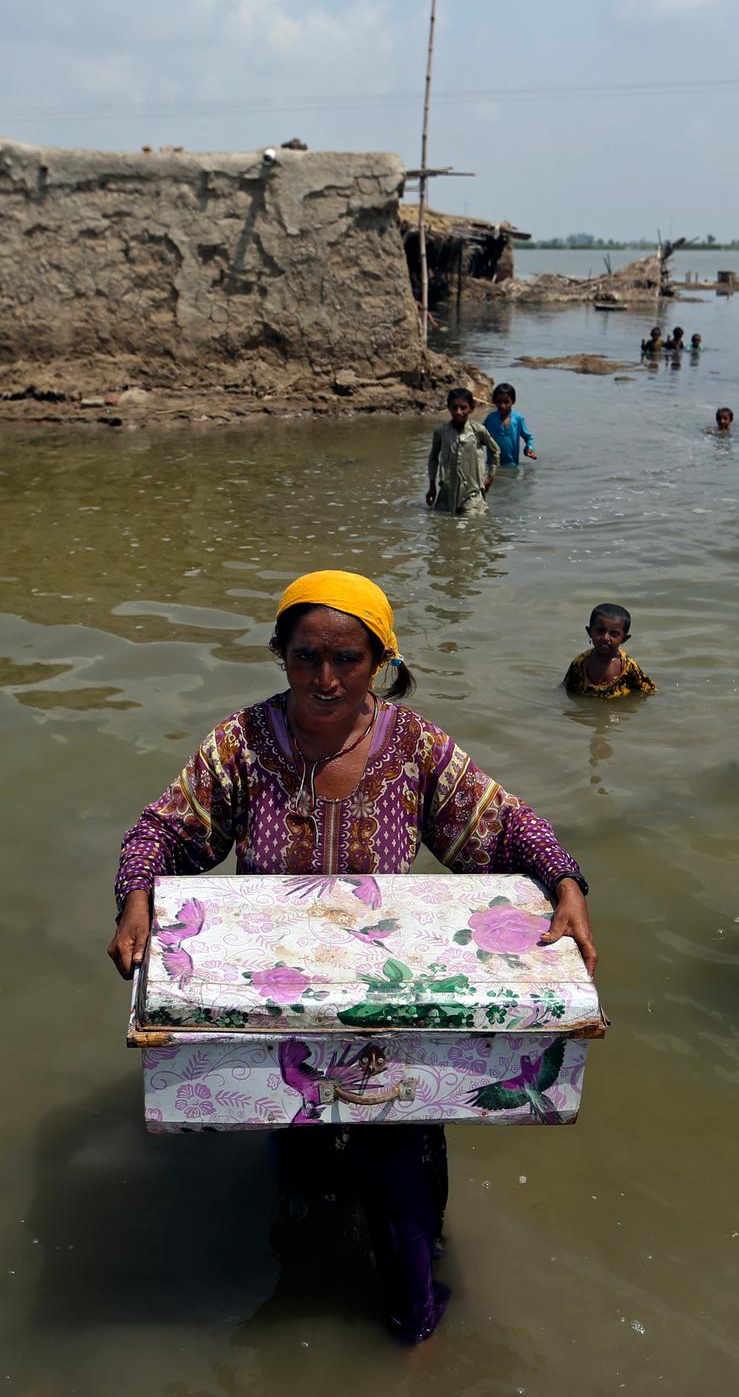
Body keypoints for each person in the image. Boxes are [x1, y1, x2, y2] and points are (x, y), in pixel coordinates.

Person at [108, 571, 595, 1343]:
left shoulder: (415, 748)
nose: (324, 679)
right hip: (279, 999)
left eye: (348, 660)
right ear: (280, 655)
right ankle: (301, 1289)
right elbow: (163, 832)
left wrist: (564, 881)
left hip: (389, 997)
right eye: (306, 657)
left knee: (401, 1171)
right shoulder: (241, 745)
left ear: (380, 662)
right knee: (300, 1164)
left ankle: (414, 1329)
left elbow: (501, 827)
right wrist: (137, 894)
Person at [426, 388, 500, 515]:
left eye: (463, 408)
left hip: (472, 494)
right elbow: (433, 457)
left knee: (471, 528)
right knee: (442, 527)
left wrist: (490, 477)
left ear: (471, 408)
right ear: (448, 408)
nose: (458, 412)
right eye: (454, 407)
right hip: (446, 494)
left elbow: (495, 451)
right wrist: (432, 485)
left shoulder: (478, 431)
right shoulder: (441, 432)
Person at [563, 603, 657, 699]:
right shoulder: (580, 664)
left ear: (624, 639)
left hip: (617, 711)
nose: (605, 638)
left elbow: (648, 691)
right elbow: (566, 689)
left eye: (614, 634)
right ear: (589, 632)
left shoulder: (628, 666)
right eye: (600, 631)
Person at [482, 382, 537, 466]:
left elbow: (528, 437)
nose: (502, 405)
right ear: (494, 402)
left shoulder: (518, 419)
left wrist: (529, 448)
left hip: (512, 465)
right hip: (492, 465)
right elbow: (479, 435)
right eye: (499, 402)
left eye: (506, 402)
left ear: (513, 401)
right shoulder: (490, 419)